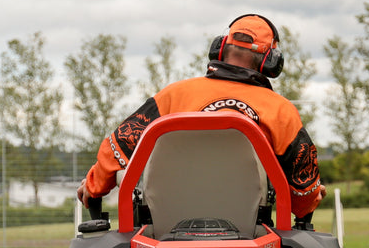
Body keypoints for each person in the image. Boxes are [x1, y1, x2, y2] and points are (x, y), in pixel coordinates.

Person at [76, 14, 324, 226]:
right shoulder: (281, 111)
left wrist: (94, 185)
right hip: (251, 232)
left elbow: (119, 146)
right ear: (272, 60)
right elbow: (303, 187)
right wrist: (309, 201)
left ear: (220, 48)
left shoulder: (174, 96)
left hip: (164, 228)